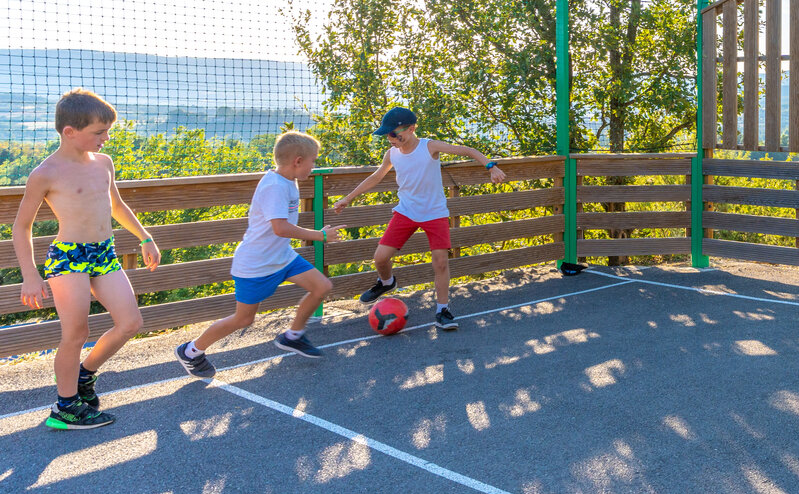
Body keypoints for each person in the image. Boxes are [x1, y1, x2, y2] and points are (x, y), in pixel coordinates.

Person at [14, 89, 161, 429]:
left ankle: (84, 376)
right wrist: (30, 275)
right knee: (76, 332)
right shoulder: (45, 173)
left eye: (106, 131)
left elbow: (117, 207)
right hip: (68, 258)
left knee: (130, 323)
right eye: (99, 132)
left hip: (104, 254)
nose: (105, 139)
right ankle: (65, 407)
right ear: (70, 132)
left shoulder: (104, 163)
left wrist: (145, 237)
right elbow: (21, 227)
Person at [175, 131, 333, 379]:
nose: (315, 166)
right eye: (314, 160)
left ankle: (292, 336)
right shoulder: (274, 186)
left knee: (321, 286)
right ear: (298, 161)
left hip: (283, 257)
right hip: (256, 265)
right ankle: (191, 351)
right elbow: (279, 227)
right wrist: (320, 235)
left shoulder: (288, 180)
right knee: (243, 319)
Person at [332, 107, 506, 331]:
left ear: (411, 128)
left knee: (440, 263)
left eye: (394, 134)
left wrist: (491, 167)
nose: (390, 139)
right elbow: (376, 177)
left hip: (434, 213)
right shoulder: (391, 154)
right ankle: (387, 283)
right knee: (380, 258)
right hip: (406, 212)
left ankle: (442, 310)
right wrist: (347, 198)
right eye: (387, 135)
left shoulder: (429, 147)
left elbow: (468, 150)